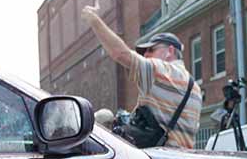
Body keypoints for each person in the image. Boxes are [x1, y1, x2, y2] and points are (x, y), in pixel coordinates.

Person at [79, 8, 201, 148]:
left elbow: (120, 54)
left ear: (170, 51)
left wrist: (94, 20)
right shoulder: (195, 88)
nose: (146, 55)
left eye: (151, 50)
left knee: (103, 117)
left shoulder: (162, 71)